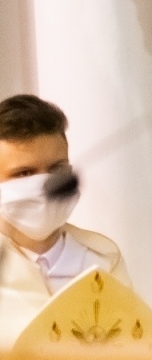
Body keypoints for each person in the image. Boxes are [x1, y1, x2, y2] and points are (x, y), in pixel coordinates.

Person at [0, 94, 130, 344]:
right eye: (24, 173)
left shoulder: (103, 257)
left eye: (57, 170)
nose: (44, 184)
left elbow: (136, 348)